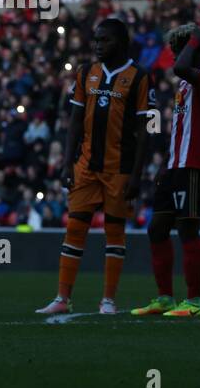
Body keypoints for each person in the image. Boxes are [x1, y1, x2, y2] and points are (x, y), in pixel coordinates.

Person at [36, 18, 154, 316]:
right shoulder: (85, 73)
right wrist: (66, 163)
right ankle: (63, 297)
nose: (98, 45)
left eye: (105, 40)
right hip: (86, 165)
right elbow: (75, 122)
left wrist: (138, 174)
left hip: (120, 168)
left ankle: (108, 300)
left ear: (121, 43)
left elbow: (146, 130)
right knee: (75, 227)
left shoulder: (139, 77)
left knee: (115, 232)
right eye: (97, 39)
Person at [131, 23, 200, 318]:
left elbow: (181, 68)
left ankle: (194, 302)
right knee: (156, 228)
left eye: (175, 50)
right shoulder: (186, 85)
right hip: (176, 165)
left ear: (191, 48)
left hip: (194, 164)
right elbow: (179, 129)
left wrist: (194, 40)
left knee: (187, 228)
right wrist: (166, 164)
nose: (171, 57)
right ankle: (165, 298)